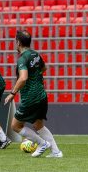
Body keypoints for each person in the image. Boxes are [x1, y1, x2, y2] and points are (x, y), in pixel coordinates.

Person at [4, 30, 62, 158]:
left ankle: (42, 144)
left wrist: (12, 93)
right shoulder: (36, 54)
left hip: (31, 97)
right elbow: (43, 68)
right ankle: (56, 152)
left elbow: (23, 78)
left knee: (15, 125)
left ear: (18, 42)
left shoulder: (22, 59)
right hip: (41, 95)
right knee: (38, 125)